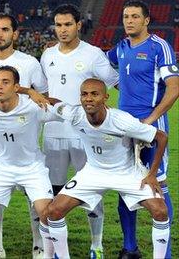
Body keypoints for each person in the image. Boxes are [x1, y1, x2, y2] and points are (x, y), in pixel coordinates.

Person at [46, 78, 170, 259]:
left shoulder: (122, 121)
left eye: (94, 94)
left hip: (127, 173)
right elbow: (55, 103)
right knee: (54, 211)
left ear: (106, 97)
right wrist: (29, 91)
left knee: (160, 211)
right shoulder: (74, 114)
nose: (88, 99)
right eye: (84, 94)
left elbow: (161, 137)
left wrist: (152, 175)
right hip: (93, 172)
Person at [39, 4, 119, 259]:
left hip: (86, 136)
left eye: (67, 24)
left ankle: (96, 245)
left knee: (92, 192)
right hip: (52, 133)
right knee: (53, 192)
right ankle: (53, 247)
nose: (62, 30)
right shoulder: (47, 55)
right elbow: (43, 92)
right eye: (58, 25)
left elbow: (115, 83)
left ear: (78, 25)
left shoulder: (93, 54)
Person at [106, 0, 179, 258]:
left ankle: (166, 253)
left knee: (157, 184)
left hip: (151, 128)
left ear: (146, 20)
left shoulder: (160, 47)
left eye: (135, 16)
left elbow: (174, 88)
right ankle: (129, 248)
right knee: (126, 185)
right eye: (126, 16)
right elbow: (102, 63)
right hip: (123, 129)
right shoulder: (121, 47)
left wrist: (150, 120)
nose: (129, 21)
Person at [0, 13, 48, 258]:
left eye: (5, 29)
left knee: (33, 193)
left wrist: (28, 90)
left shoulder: (29, 63)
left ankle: (39, 243)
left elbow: (42, 95)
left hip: (25, 137)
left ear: (15, 34)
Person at [0, 66, 56, 259]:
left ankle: (48, 256)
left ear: (16, 86)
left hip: (32, 168)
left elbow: (62, 110)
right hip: (2, 168)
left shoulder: (34, 107)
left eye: (5, 82)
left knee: (47, 214)